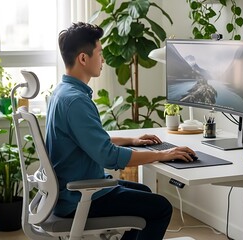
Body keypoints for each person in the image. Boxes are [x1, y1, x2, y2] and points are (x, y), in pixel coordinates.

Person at [45, 22, 197, 240]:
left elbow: (89, 139)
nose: (103, 59)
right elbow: (108, 156)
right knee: (161, 208)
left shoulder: (63, 93)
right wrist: (162, 154)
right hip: (80, 197)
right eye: (100, 53)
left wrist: (132, 140)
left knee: (143, 193)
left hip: (72, 190)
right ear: (83, 58)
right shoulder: (76, 101)